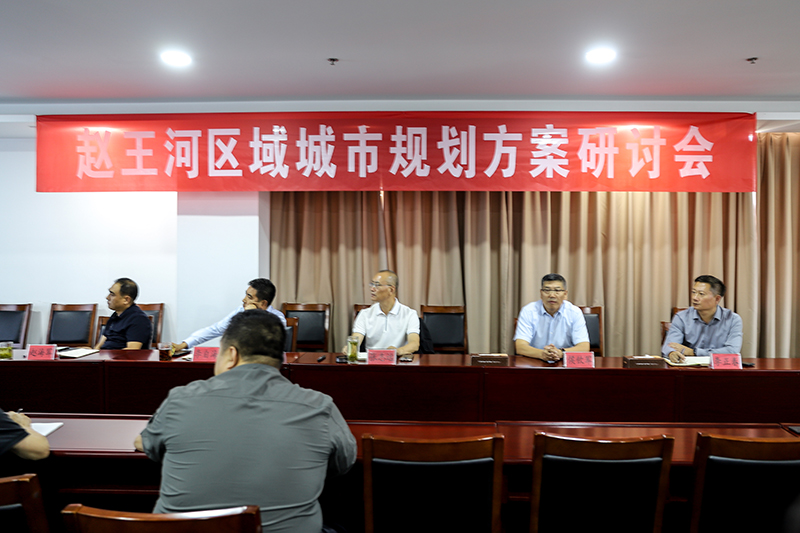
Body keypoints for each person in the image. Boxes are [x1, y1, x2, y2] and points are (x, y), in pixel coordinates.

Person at [136, 310, 356, 533]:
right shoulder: (319, 406)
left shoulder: (181, 398)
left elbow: (146, 444)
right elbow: (344, 462)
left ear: (231, 355)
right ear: (280, 358)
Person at [171, 278, 286, 352]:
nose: (244, 300)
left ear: (263, 303)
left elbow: (263, 342)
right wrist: (184, 344)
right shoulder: (240, 311)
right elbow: (216, 329)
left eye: (249, 297)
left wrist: (252, 315)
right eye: (246, 295)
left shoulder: (278, 319)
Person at [662, 275, 743, 363]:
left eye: (701, 294)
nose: (694, 297)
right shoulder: (681, 317)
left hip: (719, 368)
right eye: (693, 292)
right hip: (689, 368)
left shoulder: (733, 319)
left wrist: (694, 352)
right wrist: (672, 353)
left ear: (717, 299)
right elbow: (670, 345)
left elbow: (732, 351)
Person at [514, 273, 590, 361]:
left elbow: (584, 347)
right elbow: (520, 346)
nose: (552, 295)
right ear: (541, 293)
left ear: (565, 294)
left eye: (557, 290)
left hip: (564, 362)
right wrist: (542, 354)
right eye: (547, 290)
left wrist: (560, 353)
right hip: (535, 360)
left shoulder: (574, 312)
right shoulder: (528, 311)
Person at [345, 270, 420, 356]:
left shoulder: (410, 314)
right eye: (372, 284)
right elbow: (356, 338)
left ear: (391, 290)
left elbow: (414, 344)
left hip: (398, 360)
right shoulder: (365, 314)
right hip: (372, 360)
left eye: (377, 285)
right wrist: (349, 348)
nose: (372, 289)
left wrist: (397, 351)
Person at [96, 278, 153, 349]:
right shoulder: (115, 316)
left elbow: (131, 351)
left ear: (126, 300)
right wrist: (91, 352)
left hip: (117, 356)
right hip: (105, 355)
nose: (107, 297)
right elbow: (100, 344)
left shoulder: (139, 319)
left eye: (112, 294)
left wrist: (105, 354)